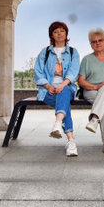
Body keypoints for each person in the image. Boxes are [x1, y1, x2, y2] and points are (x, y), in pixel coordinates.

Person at [34, 21, 80, 157]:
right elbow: (38, 72)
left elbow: (74, 71)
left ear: (66, 34)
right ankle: (71, 141)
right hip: (47, 91)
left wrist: (62, 84)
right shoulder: (45, 52)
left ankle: (58, 123)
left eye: (62, 31)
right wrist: (48, 86)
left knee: (64, 92)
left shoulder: (73, 52)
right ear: (51, 35)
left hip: (67, 87)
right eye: (55, 32)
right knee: (64, 105)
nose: (59, 34)